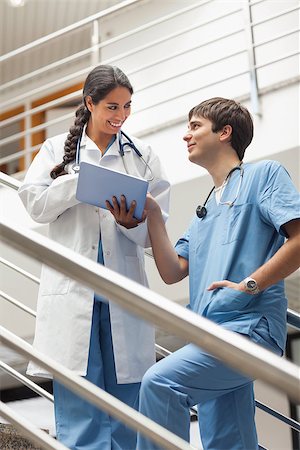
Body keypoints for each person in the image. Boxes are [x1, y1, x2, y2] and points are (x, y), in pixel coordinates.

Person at [132, 97, 300, 450]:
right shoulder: (205, 209)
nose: (186, 136)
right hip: (210, 336)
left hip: (247, 328)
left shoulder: (263, 175)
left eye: (195, 126)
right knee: (228, 442)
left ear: (225, 132)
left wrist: (250, 285)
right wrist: (151, 214)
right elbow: (172, 270)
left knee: (161, 384)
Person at [18, 64, 170, 450]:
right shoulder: (56, 150)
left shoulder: (143, 155)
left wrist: (130, 222)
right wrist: (78, 183)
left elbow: (155, 230)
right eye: (112, 107)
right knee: (81, 413)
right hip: (73, 295)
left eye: (127, 107)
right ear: (91, 103)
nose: (120, 116)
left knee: (127, 416)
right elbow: (34, 203)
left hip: (122, 294)